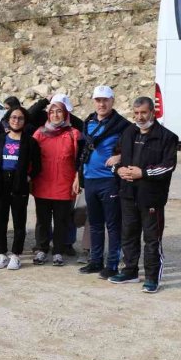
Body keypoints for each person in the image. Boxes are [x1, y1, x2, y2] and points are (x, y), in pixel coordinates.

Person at [109, 97, 178, 293]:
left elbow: (168, 166)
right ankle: (130, 271)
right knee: (128, 235)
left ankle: (151, 277)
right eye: (136, 113)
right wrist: (118, 170)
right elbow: (116, 156)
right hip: (128, 194)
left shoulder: (167, 137)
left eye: (144, 113)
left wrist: (144, 173)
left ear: (152, 113)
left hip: (151, 198)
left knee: (152, 239)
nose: (140, 117)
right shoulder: (128, 132)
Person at [78, 86, 131, 279]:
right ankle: (96, 260)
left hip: (109, 180)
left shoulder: (122, 125)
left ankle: (112, 264)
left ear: (112, 101)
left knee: (113, 225)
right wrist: (79, 176)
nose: (102, 104)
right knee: (95, 224)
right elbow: (83, 152)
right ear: (94, 101)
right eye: (98, 100)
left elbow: (133, 147)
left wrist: (120, 157)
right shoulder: (88, 122)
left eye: (105, 100)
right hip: (90, 179)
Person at [0, 106, 40, 269]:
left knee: (19, 221)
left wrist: (27, 177)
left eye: (20, 118)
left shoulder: (30, 141)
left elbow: (37, 165)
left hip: (19, 183)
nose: (16, 121)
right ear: (8, 119)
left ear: (25, 121)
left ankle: (16, 255)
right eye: (13, 117)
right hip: (0, 182)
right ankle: (2, 254)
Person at [31, 101, 81, 266]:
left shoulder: (74, 134)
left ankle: (58, 251)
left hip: (64, 184)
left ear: (66, 114)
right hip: (43, 183)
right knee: (42, 220)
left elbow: (79, 160)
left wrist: (77, 178)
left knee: (61, 221)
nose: (55, 115)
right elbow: (30, 158)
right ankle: (41, 249)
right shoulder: (39, 133)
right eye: (52, 112)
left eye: (59, 112)